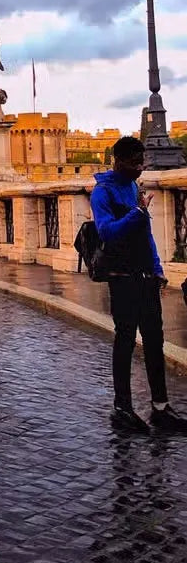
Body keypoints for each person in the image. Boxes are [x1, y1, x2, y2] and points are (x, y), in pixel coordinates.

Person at [91, 135, 187, 434]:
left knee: (155, 340)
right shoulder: (102, 192)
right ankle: (122, 407)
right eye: (134, 163)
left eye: (141, 161)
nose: (140, 168)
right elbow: (107, 232)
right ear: (117, 161)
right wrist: (137, 213)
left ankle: (160, 406)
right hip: (122, 277)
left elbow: (145, 234)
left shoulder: (134, 186)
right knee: (125, 340)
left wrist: (158, 268)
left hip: (145, 274)